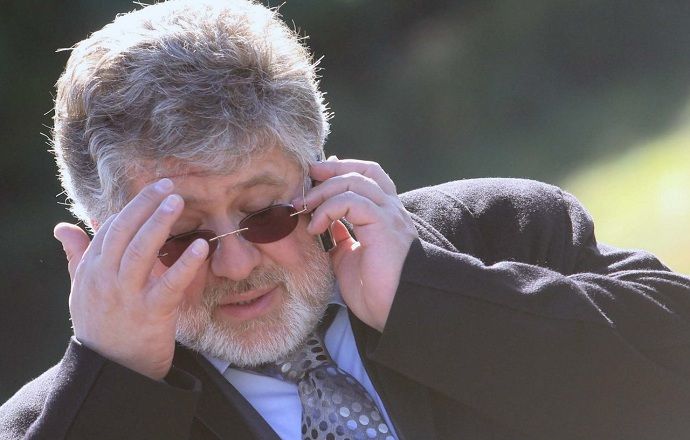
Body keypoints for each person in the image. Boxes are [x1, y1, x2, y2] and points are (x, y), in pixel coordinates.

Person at [2, 0, 690, 439]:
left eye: (265, 213)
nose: (236, 264)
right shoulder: (54, 422)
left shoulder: (501, 231)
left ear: (320, 172)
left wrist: (426, 296)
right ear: (102, 241)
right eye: (181, 239)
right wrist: (117, 384)